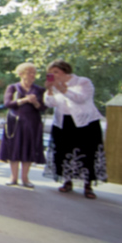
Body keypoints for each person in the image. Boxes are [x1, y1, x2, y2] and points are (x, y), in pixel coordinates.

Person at [42, 60, 106, 199]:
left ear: (65, 71)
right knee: (64, 151)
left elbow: (81, 99)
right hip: (63, 122)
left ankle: (88, 186)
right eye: (51, 72)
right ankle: (67, 181)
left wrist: (63, 89)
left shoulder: (83, 82)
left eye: (56, 72)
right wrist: (49, 90)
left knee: (87, 152)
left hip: (85, 123)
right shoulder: (54, 86)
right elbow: (50, 103)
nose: (53, 75)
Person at [0, 62, 46, 188]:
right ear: (21, 74)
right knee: (14, 148)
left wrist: (35, 102)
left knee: (28, 148)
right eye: (29, 72)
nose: (32, 75)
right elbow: (8, 103)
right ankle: (13, 177)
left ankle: (25, 178)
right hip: (15, 122)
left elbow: (43, 108)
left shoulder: (39, 90)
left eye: (34, 73)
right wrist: (24, 100)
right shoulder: (13, 88)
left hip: (32, 123)